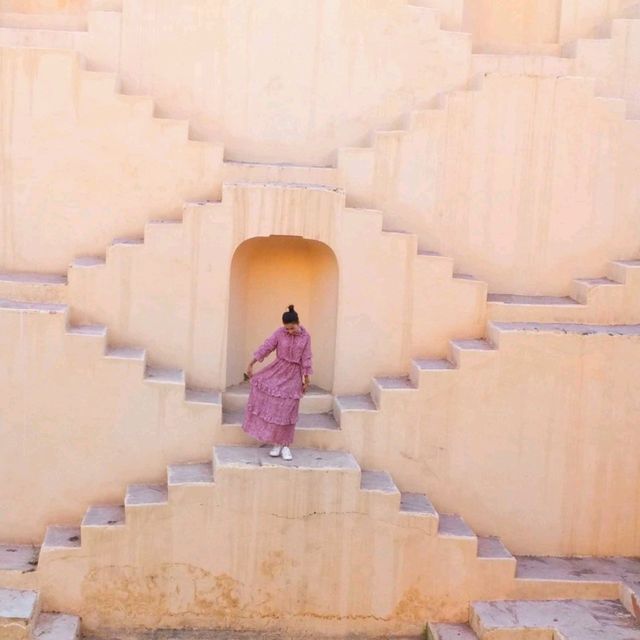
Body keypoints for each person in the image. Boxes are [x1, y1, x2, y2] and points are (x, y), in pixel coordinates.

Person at [242, 305, 312, 461]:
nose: (289, 331)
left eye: (292, 328)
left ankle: (286, 445)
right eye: (287, 329)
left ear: (298, 322)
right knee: (274, 409)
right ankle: (277, 443)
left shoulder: (306, 337)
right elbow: (267, 347)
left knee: (288, 411)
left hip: (294, 374)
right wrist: (251, 363)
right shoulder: (279, 334)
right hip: (278, 370)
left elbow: (306, 358)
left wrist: (306, 380)